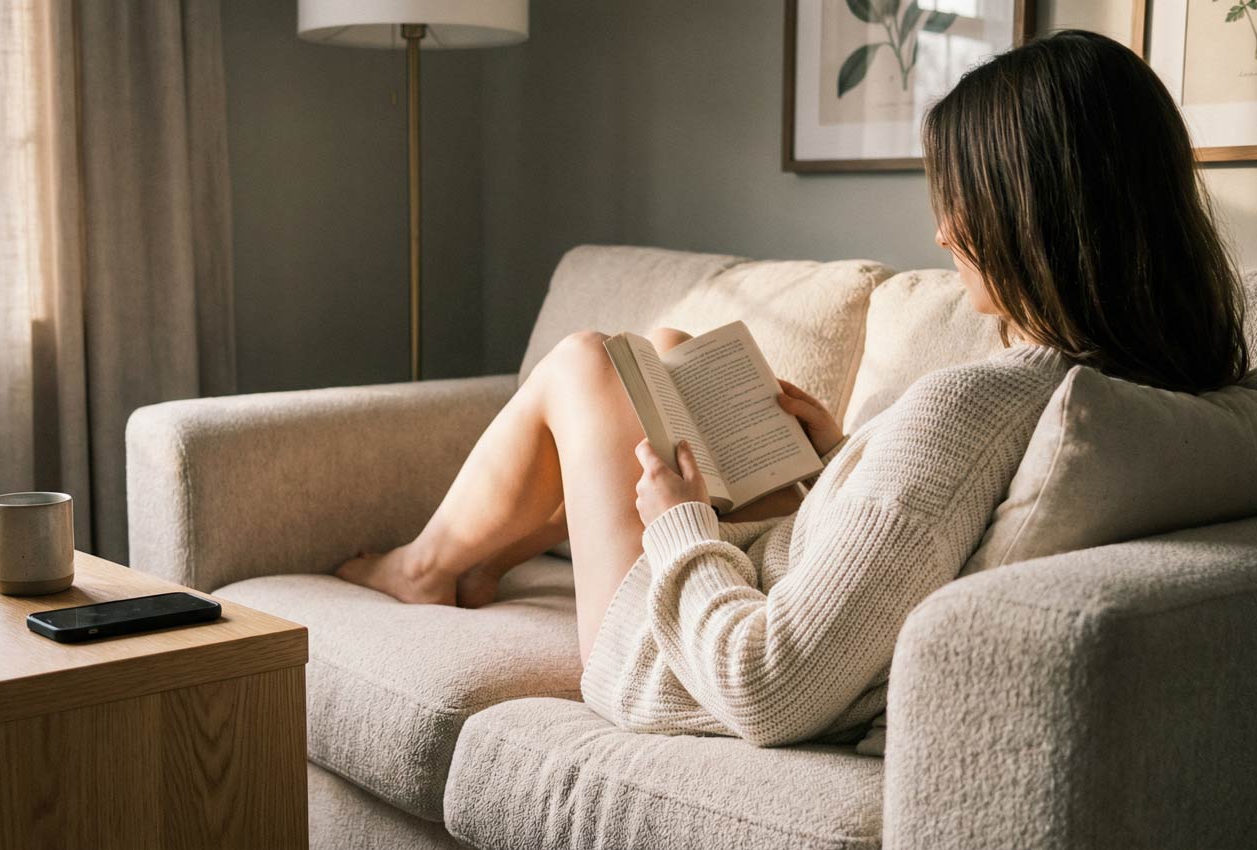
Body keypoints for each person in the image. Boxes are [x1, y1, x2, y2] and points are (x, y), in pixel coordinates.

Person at [336, 30, 1250, 748]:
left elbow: (765, 685)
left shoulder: (974, 405)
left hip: (668, 656)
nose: (942, 233)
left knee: (586, 362)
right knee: (662, 347)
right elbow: (940, 521)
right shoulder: (1181, 386)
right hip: (787, 565)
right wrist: (845, 455)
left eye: (961, 200)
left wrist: (677, 523)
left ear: (1034, 214)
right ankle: (488, 556)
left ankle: (419, 568)